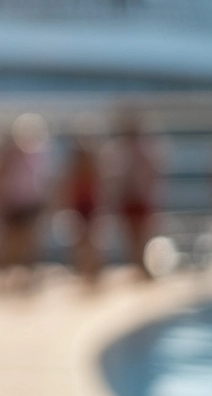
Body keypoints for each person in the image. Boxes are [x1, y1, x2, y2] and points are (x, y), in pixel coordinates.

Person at [0, 114, 49, 290]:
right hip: (11, 203)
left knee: (27, 241)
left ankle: (24, 277)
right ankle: (6, 277)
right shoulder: (6, 156)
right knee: (9, 242)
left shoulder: (33, 155)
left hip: (26, 202)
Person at [111, 113, 160, 278]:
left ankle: (142, 267)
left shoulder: (144, 148)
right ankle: (138, 267)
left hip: (140, 198)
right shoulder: (122, 149)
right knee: (132, 239)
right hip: (130, 198)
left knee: (142, 237)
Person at [64, 133, 102, 284]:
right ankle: (84, 271)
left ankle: (92, 271)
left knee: (90, 241)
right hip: (79, 206)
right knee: (81, 241)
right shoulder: (74, 168)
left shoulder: (92, 166)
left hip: (89, 206)